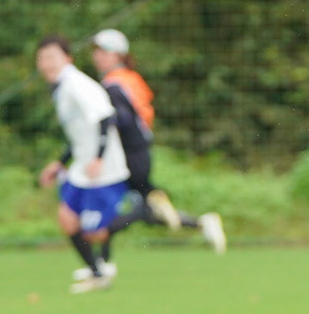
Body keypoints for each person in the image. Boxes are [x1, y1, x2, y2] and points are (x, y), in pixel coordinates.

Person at [90, 29, 226, 256]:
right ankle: (200, 223)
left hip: (129, 154)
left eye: (104, 52)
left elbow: (124, 119)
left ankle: (101, 261)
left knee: (123, 207)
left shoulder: (114, 85)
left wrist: (103, 125)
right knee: (145, 209)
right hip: (139, 151)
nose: (97, 57)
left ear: (118, 55)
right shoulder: (130, 79)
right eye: (96, 52)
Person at [35, 35, 130, 294]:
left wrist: (98, 157)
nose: (46, 63)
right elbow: (79, 133)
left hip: (102, 168)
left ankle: (145, 211)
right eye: (42, 58)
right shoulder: (61, 87)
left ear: (68, 58)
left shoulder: (76, 83)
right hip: (81, 166)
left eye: (52, 57)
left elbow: (105, 117)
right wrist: (60, 163)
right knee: (67, 219)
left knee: (96, 232)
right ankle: (97, 273)